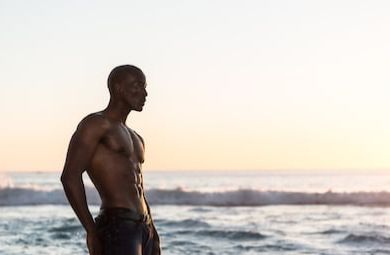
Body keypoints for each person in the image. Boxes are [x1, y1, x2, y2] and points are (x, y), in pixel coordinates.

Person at [60, 65, 161, 255]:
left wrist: (152, 231)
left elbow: (138, 187)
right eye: (137, 85)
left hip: (143, 227)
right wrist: (91, 230)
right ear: (118, 87)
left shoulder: (136, 137)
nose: (145, 93)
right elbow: (70, 177)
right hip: (118, 225)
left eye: (145, 87)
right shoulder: (96, 124)